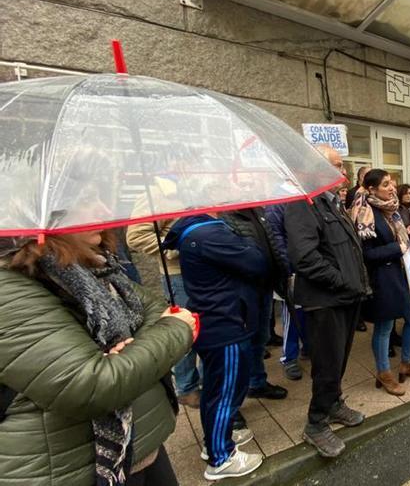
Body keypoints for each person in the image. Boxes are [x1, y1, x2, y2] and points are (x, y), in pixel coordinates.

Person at [0, 231, 196, 485]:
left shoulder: (93, 263)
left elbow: (157, 309)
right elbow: (90, 385)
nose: (102, 212)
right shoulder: (11, 288)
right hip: (75, 469)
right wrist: (174, 330)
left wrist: (128, 352)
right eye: (85, 201)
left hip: (137, 447)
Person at [163, 212, 268, 479]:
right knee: (223, 393)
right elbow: (257, 261)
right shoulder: (210, 234)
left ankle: (215, 442)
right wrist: (247, 241)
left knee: (217, 389)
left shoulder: (200, 231)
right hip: (225, 325)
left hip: (220, 321)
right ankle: (221, 458)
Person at [284, 147, 369, 457]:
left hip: (345, 297)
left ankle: (333, 404)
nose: (342, 170)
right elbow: (305, 258)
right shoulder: (302, 203)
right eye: (335, 165)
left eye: (342, 164)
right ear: (313, 169)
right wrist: (342, 280)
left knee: (339, 361)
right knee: (327, 364)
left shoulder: (331, 201)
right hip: (326, 299)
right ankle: (316, 423)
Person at [127, 197, 201, 408]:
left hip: (207, 269)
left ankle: (206, 382)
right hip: (180, 274)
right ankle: (187, 388)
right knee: (186, 330)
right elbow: (136, 236)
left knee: (207, 329)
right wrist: (175, 248)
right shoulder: (156, 193)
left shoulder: (197, 186)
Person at [354, 169, 410, 396]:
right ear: (372, 189)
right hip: (382, 279)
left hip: (400, 275)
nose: (392, 188)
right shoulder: (366, 213)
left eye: (392, 183)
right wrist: (397, 248)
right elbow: (367, 254)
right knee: (384, 328)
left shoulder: (391, 209)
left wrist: (406, 234)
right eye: (385, 185)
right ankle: (384, 374)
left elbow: (396, 235)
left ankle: (406, 362)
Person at [220, 207, 290, 401]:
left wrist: (282, 272)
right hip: (243, 291)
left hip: (264, 286)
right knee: (240, 346)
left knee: (260, 338)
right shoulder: (224, 217)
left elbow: (273, 244)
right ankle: (232, 401)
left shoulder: (258, 212)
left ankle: (257, 382)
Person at [265, 202, 309, 381]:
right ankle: (289, 357)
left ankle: (308, 346)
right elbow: (276, 239)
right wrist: (287, 269)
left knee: (307, 312)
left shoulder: (307, 200)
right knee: (292, 315)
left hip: (308, 267)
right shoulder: (277, 205)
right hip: (291, 270)